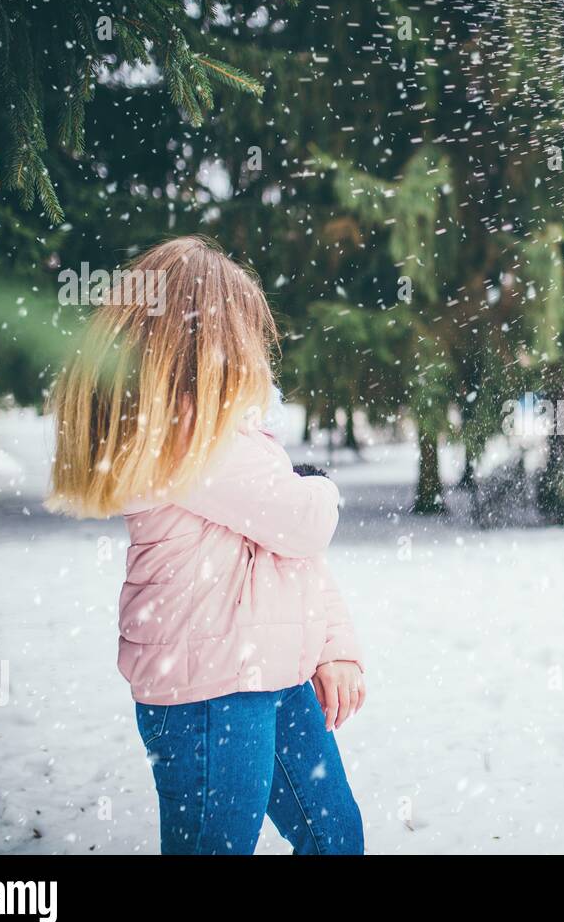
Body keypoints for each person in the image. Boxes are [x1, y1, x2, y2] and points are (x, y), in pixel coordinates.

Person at [45, 236, 365, 854]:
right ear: (208, 341)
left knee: (336, 836)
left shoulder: (231, 437)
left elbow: (291, 556)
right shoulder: (186, 439)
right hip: (212, 696)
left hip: (272, 677)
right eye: (245, 330)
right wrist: (320, 486)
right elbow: (305, 524)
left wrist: (335, 648)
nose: (256, 349)